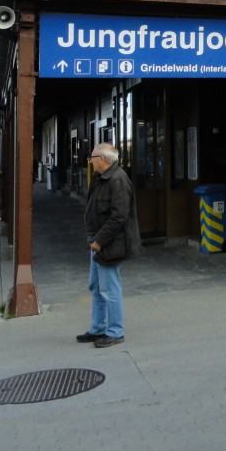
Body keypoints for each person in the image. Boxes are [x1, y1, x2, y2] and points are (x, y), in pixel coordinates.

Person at [77, 142, 141, 347]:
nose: (90, 161)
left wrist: (98, 241)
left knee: (110, 288)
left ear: (102, 159)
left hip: (109, 243)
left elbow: (119, 217)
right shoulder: (101, 178)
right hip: (97, 241)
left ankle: (115, 331)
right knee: (96, 286)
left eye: (92, 158)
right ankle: (98, 328)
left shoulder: (118, 180)